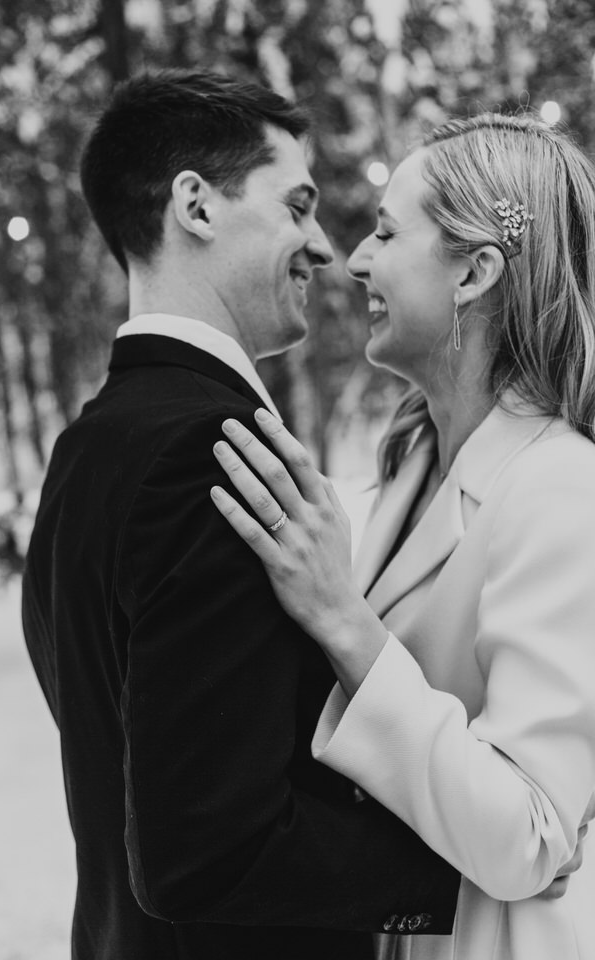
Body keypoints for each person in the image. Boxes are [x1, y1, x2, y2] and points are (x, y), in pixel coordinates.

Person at [21, 69, 462, 960]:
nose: (322, 248)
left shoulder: (90, 449)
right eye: (297, 205)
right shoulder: (210, 452)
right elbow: (207, 851)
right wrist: (462, 869)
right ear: (196, 205)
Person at [210, 112, 595, 959]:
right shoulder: (409, 465)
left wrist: (347, 622)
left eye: (386, 232)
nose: (354, 261)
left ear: (474, 273)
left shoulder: (562, 488)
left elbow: (529, 837)